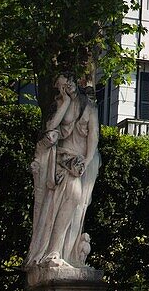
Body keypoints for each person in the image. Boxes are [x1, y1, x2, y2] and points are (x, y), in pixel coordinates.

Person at [25, 75, 100, 269]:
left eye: (69, 81)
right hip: (60, 160)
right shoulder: (59, 105)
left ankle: (65, 253)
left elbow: (93, 138)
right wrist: (65, 101)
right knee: (61, 203)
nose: (68, 85)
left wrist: (86, 161)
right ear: (58, 88)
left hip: (81, 163)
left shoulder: (89, 108)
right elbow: (50, 127)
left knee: (76, 205)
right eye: (62, 83)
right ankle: (54, 251)